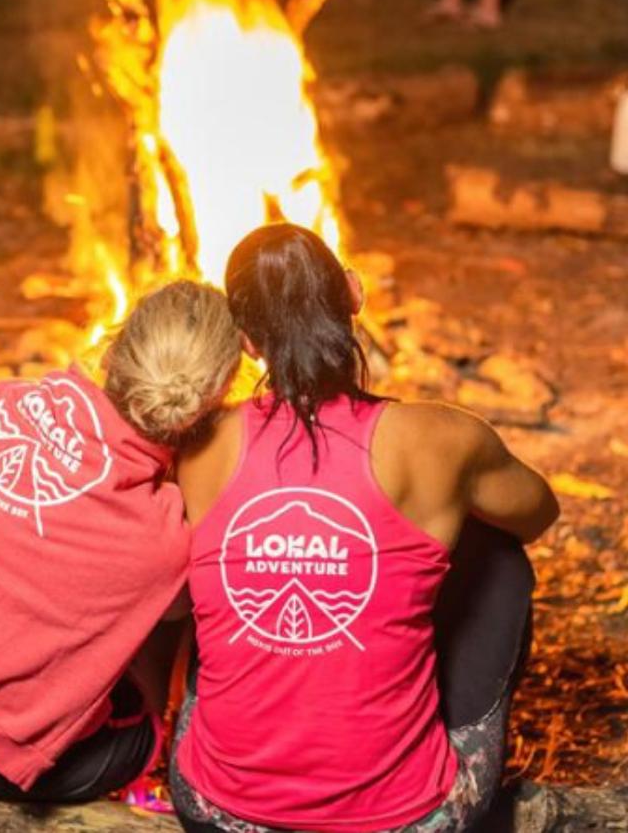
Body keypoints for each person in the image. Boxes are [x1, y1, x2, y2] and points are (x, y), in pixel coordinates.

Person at [169, 223, 558, 832]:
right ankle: (429, 746)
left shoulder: (200, 443)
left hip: (219, 810)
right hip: (403, 820)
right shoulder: (443, 438)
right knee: (498, 555)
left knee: (207, 562)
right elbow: (537, 512)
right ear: (353, 293)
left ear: (246, 342)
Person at [0, 281, 242, 803]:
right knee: (172, 608)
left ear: (114, 345)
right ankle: (165, 745)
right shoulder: (158, 540)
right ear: (216, 398)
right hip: (11, 761)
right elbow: (183, 603)